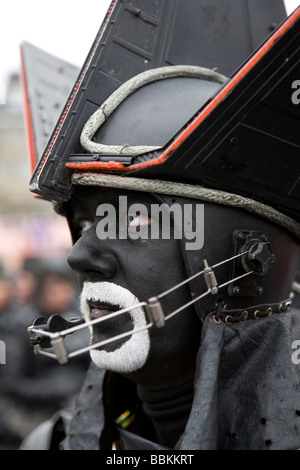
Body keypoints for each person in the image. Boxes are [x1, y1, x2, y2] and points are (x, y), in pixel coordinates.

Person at [21, 0, 300, 451]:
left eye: (133, 218)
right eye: (86, 221)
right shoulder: (48, 444)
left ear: (242, 268)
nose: (79, 256)